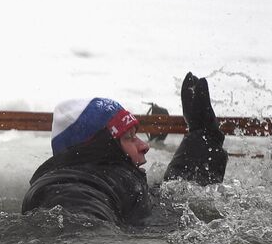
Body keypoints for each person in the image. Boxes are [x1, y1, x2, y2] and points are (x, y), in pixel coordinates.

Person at [21, 74, 227, 227]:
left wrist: (202, 139)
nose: (144, 145)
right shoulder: (67, 187)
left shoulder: (110, 181)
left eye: (137, 136)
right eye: (128, 137)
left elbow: (170, 199)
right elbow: (83, 240)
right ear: (100, 147)